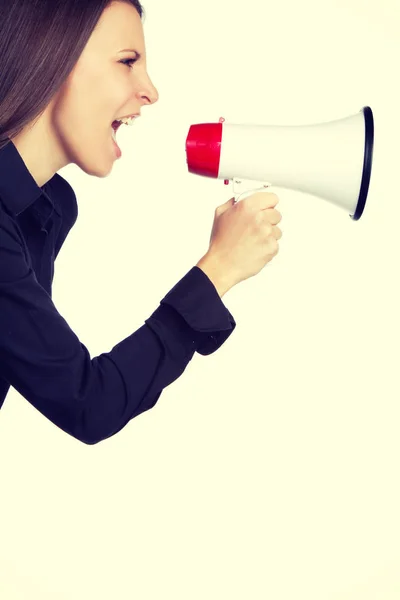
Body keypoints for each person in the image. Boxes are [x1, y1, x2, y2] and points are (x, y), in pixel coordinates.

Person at [0, 0, 282, 444]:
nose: (151, 91)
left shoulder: (43, 210)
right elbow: (86, 403)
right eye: (127, 61)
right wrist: (219, 270)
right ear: (52, 54)